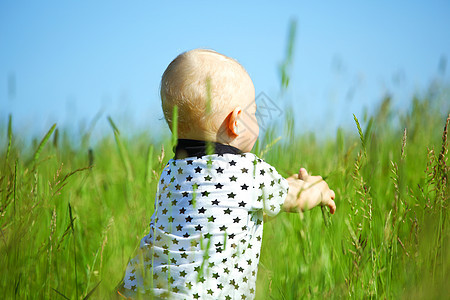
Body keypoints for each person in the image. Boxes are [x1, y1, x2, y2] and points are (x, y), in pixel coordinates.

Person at [117, 49, 336, 299]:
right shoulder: (250, 170)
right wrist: (316, 189)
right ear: (237, 122)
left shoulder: (171, 172)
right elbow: (297, 198)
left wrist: (283, 184)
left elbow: (223, 211)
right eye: (253, 114)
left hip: (139, 290)